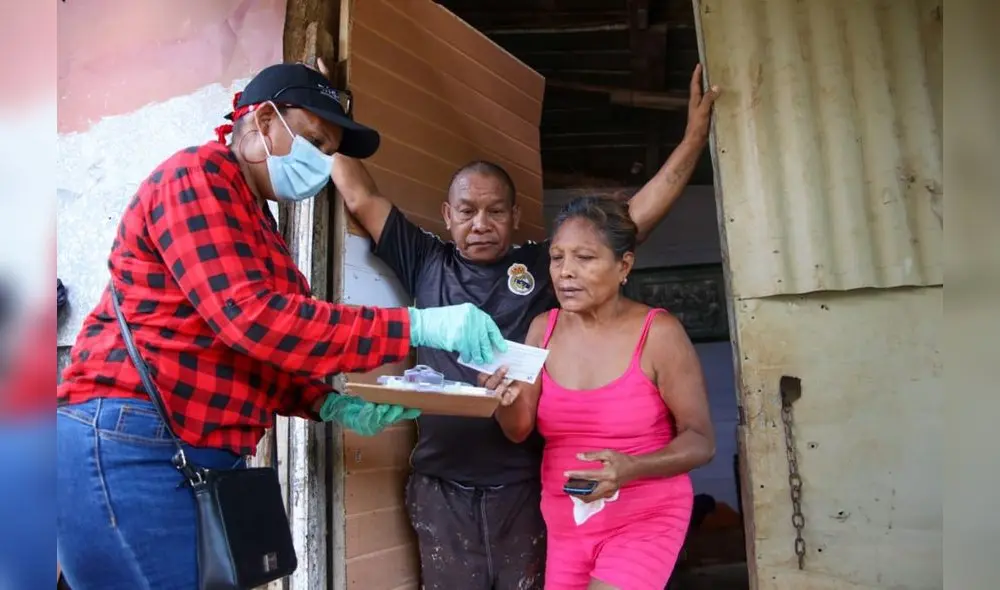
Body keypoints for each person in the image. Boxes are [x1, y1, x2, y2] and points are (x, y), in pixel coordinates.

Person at [55, 63, 507, 590]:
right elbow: (253, 321)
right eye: (313, 141)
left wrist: (329, 402)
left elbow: (262, 349)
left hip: (188, 455)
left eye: (327, 151)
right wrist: (417, 326)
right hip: (131, 446)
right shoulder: (195, 177)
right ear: (263, 120)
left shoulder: (257, 222)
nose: (319, 162)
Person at [331, 64, 720, 589]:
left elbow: (630, 221)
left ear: (516, 216)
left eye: (495, 211)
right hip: (442, 480)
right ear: (447, 215)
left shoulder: (546, 269)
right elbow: (359, 196)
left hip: (523, 484)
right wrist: (323, 121)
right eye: (467, 211)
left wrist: (695, 137)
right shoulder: (425, 259)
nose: (480, 223)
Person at [480, 196, 716, 590]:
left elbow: (701, 440)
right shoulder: (543, 329)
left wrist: (632, 468)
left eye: (585, 258)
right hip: (567, 523)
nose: (565, 272)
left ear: (624, 265)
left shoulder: (658, 333)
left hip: (645, 517)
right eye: (557, 258)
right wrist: (501, 400)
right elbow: (518, 429)